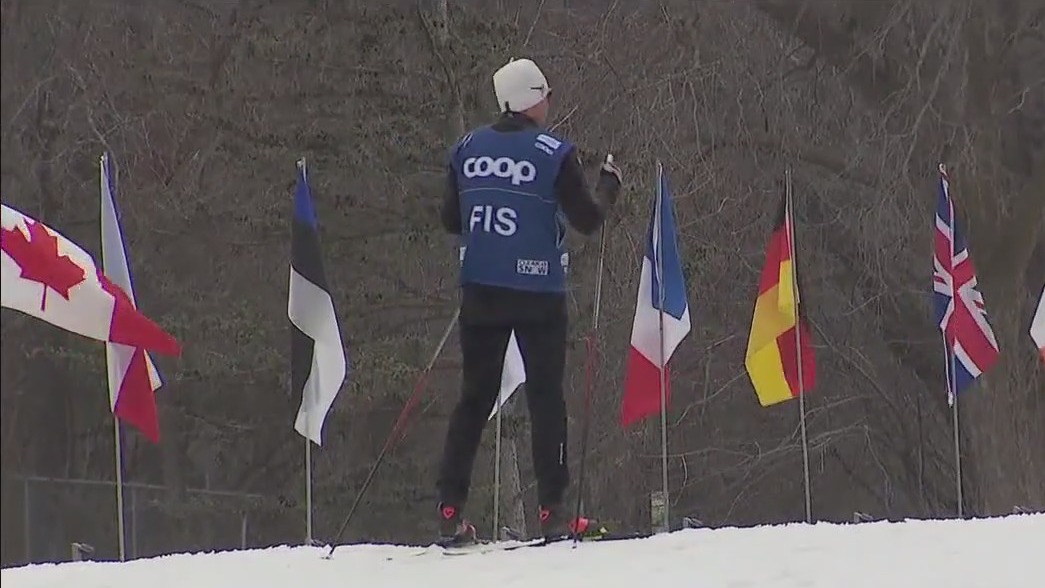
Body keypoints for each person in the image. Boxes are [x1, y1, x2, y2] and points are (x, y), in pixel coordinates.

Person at [435, 57, 622, 544]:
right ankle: (552, 511)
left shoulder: (467, 149)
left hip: (481, 289)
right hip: (537, 293)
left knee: (474, 400)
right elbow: (586, 219)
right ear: (527, 100)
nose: (550, 103)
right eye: (545, 94)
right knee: (545, 398)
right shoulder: (553, 152)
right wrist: (608, 186)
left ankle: (450, 507)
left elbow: (452, 220)